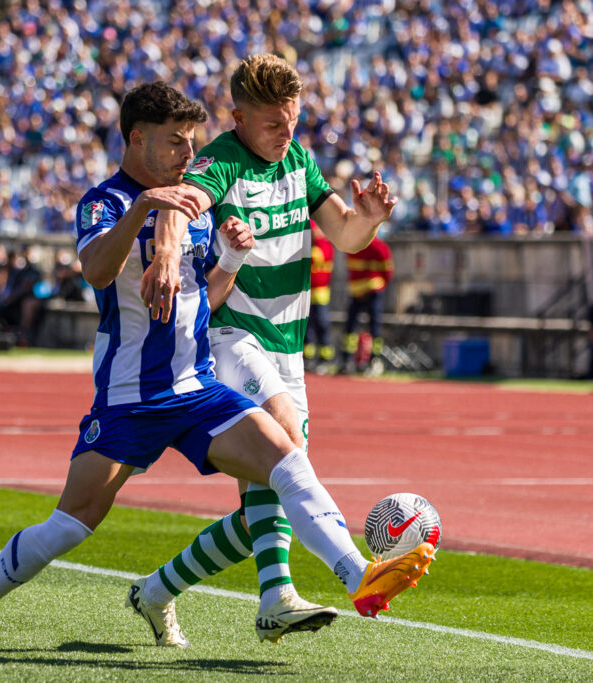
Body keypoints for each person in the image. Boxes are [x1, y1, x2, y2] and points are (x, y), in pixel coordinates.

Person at [0, 82, 432, 657]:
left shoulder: (194, 209)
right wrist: (143, 209)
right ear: (137, 140)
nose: (189, 154)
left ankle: (358, 574)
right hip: (130, 396)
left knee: (285, 453)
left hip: (198, 389)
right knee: (70, 525)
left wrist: (231, 258)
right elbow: (96, 271)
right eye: (176, 143)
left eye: (190, 141)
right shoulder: (103, 201)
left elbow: (202, 300)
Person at [135, 55, 401, 647]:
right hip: (230, 335)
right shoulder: (220, 161)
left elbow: (349, 235)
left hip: (288, 346)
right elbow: (178, 207)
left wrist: (371, 219)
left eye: (294, 121)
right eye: (275, 125)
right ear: (240, 118)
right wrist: (165, 253)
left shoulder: (300, 160)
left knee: (278, 484)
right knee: (287, 445)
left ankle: (158, 590)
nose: (288, 135)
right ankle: (351, 574)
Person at [338, 234, 394, 374]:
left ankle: (373, 361)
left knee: (371, 327)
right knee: (352, 327)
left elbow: (387, 271)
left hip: (370, 290)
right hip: (359, 290)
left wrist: (378, 285)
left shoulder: (377, 246)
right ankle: (347, 360)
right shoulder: (353, 244)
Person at [303, 221, 335, 372]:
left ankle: (325, 358)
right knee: (307, 328)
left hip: (320, 293)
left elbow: (318, 259)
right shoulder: (313, 245)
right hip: (308, 294)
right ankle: (308, 358)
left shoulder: (323, 246)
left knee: (322, 325)